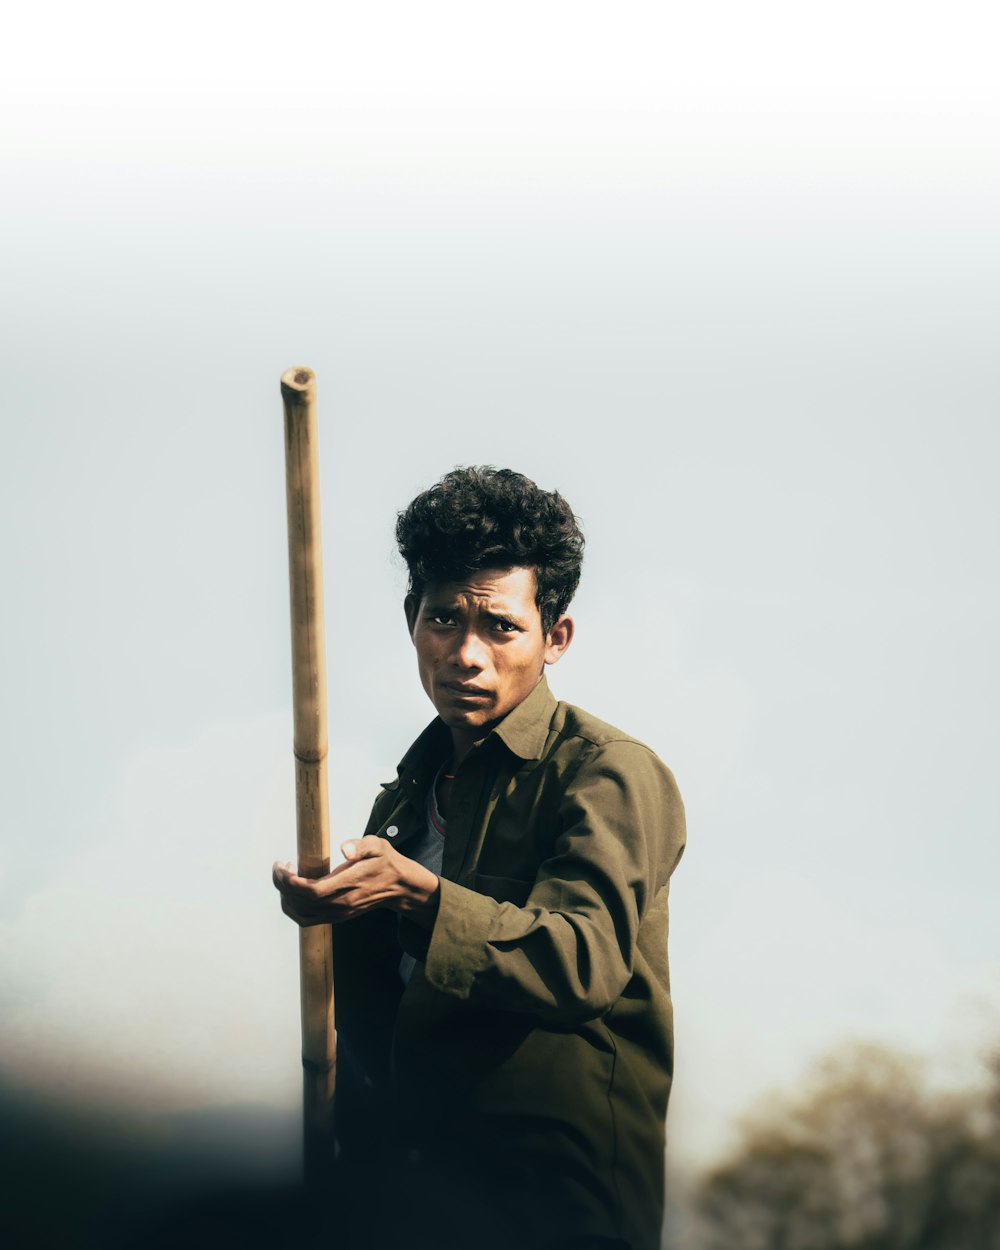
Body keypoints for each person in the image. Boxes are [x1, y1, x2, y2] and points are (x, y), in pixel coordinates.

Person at [273, 467, 685, 1250]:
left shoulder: (606, 772)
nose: (466, 654)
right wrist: (328, 910)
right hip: (399, 1199)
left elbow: (583, 962)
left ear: (553, 637)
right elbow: (379, 1016)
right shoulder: (403, 799)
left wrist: (418, 898)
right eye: (443, 619)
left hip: (546, 1206)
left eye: (500, 627)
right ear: (411, 619)